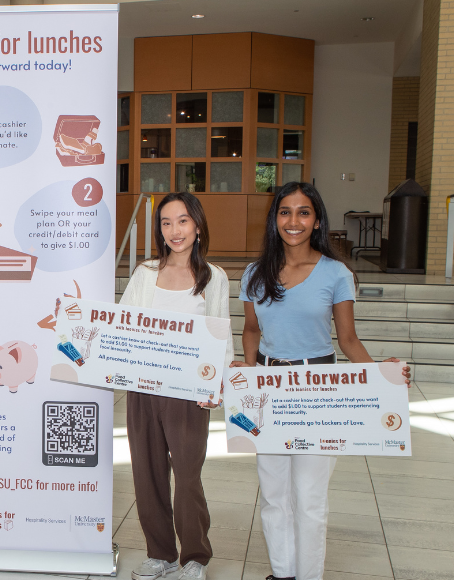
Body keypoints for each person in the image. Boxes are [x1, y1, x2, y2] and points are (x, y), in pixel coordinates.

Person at [236, 182, 410, 580]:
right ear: (274, 218)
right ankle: (282, 573)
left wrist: (382, 378)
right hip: (269, 391)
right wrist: (249, 371)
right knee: (274, 495)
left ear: (316, 221)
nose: (293, 221)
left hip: (319, 389)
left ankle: (309, 575)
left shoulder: (336, 273)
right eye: (285, 212)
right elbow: (250, 329)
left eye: (303, 212)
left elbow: (348, 339)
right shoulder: (253, 273)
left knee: (310, 498)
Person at [121, 192, 233, 580]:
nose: (175, 230)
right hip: (143, 390)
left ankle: (195, 558)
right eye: (166, 223)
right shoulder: (145, 274)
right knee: (147, 473)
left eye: (183, 221)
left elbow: (222, 333)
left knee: (187, 476)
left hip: (189, 394)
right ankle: (161, 553)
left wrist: (219, 380)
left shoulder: (213, 277)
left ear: (198, 226)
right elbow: (122, 327)